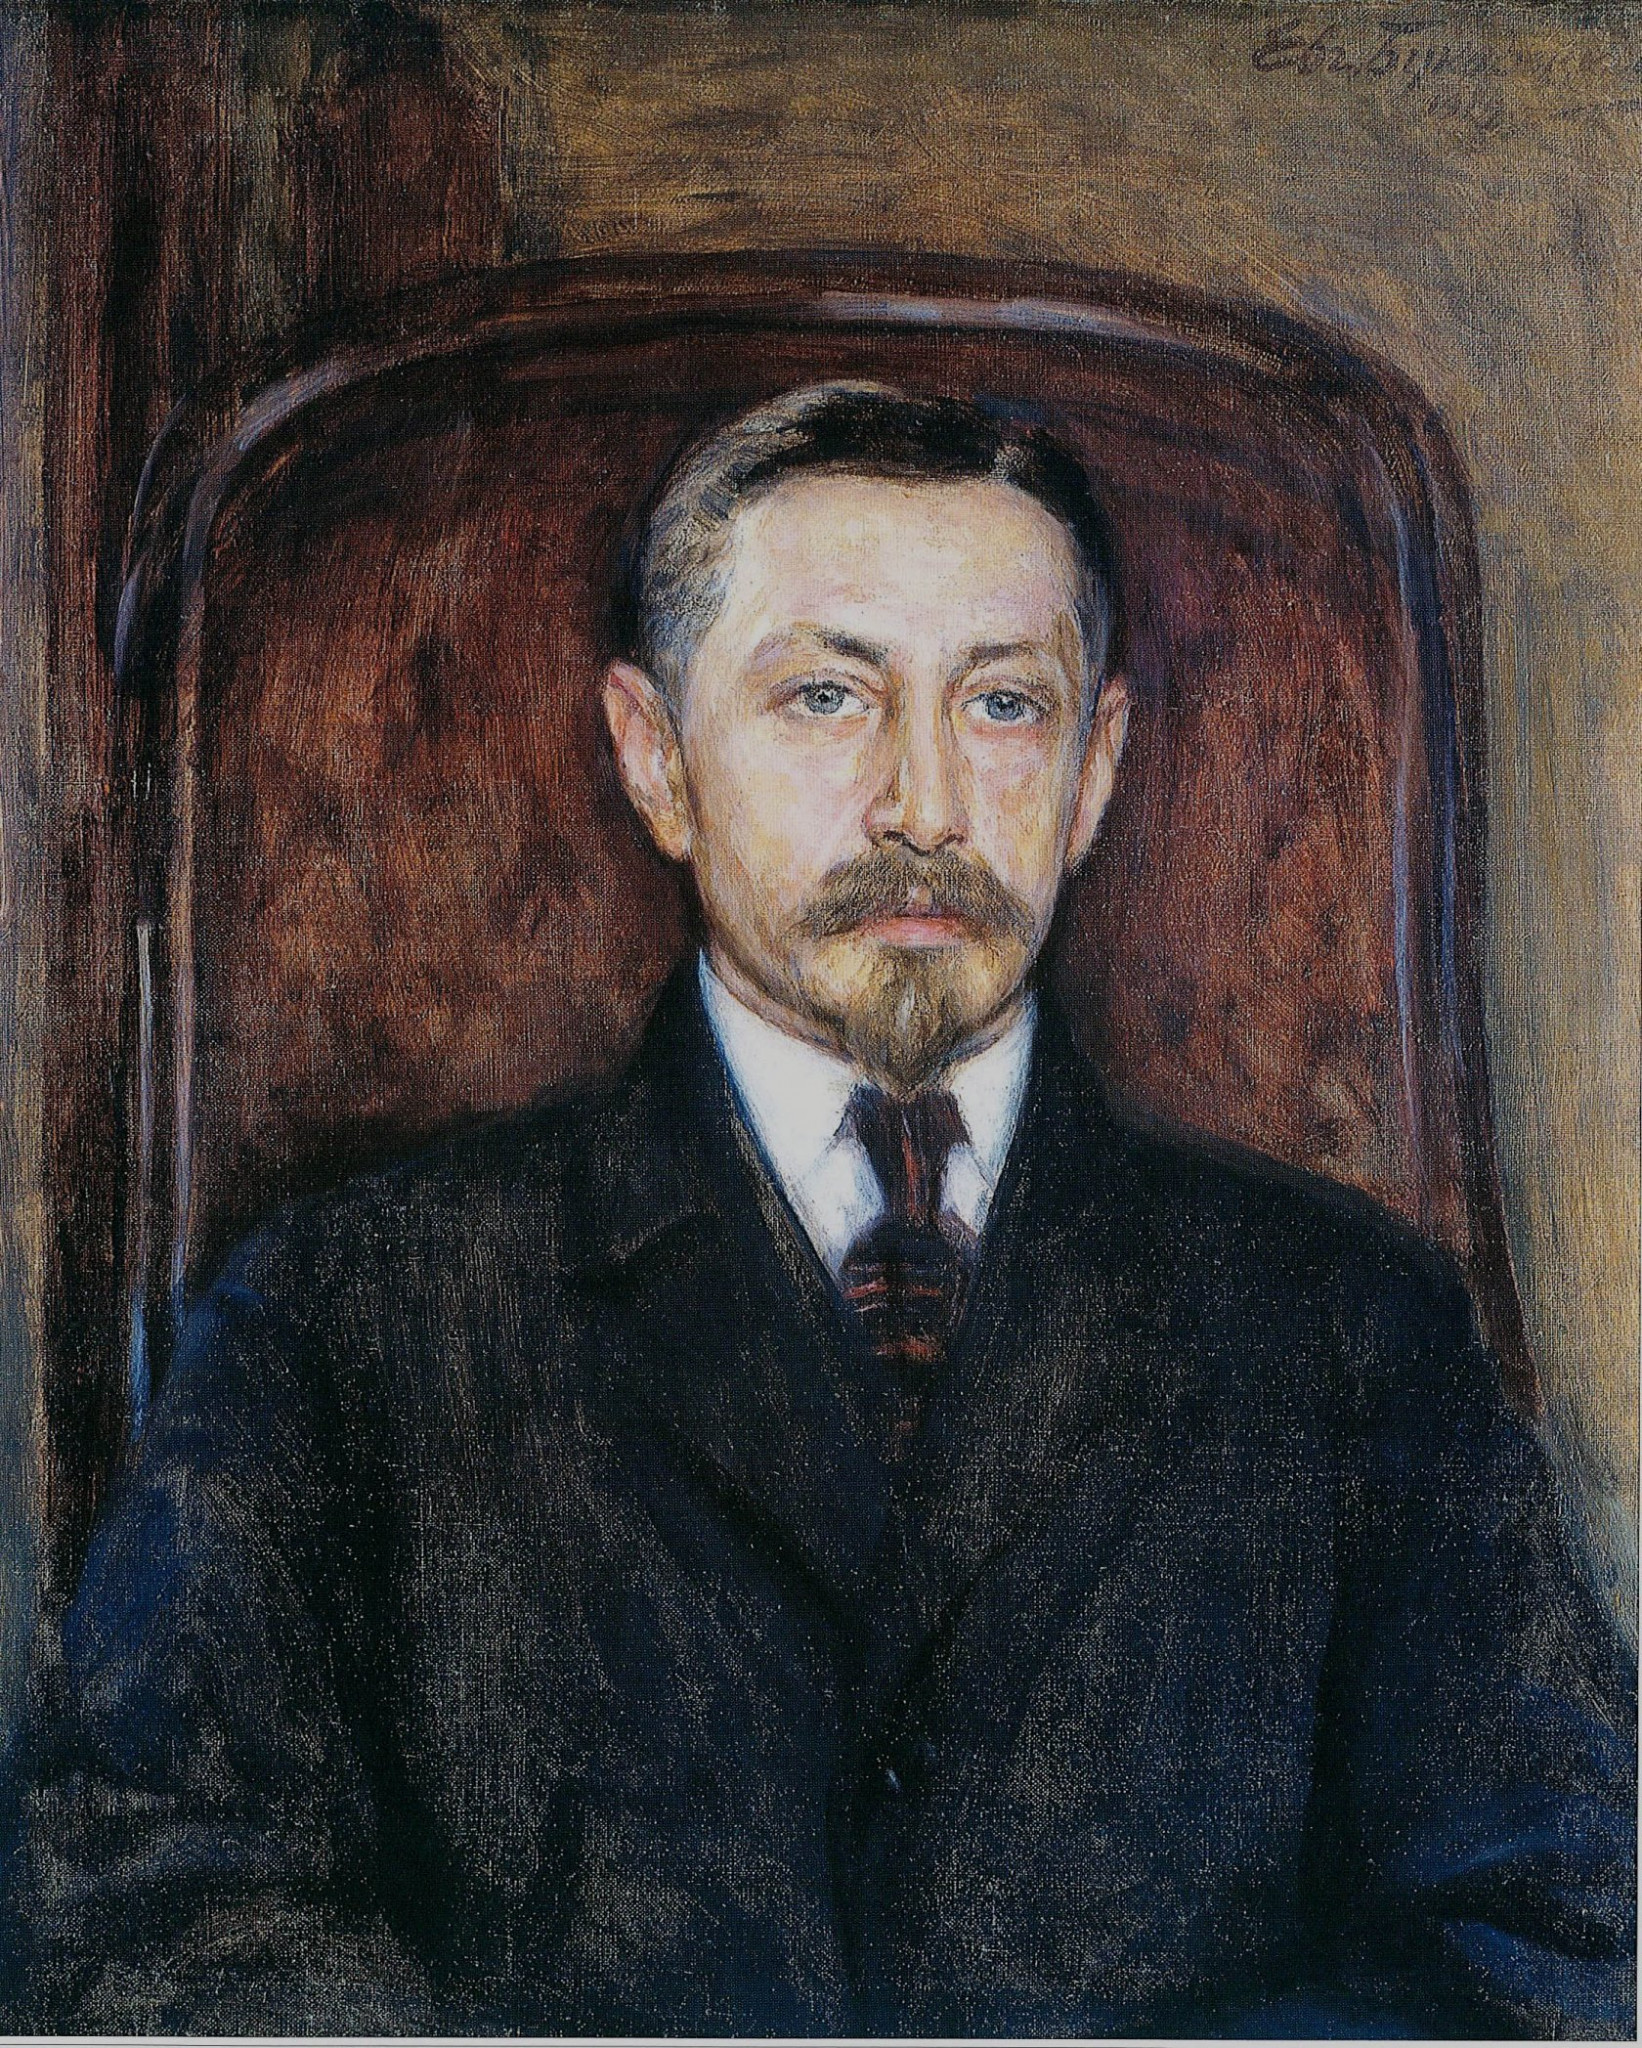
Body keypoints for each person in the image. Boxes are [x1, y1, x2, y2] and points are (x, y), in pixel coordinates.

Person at [15, 384, 1634, 2037]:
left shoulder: (1347, 1331)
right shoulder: (346, 1316)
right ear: (655, 758)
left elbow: (1561, 1939)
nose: (923, 805)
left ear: (1092, 774)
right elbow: (133, 1927)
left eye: (1001, 704)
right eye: (824, 697)